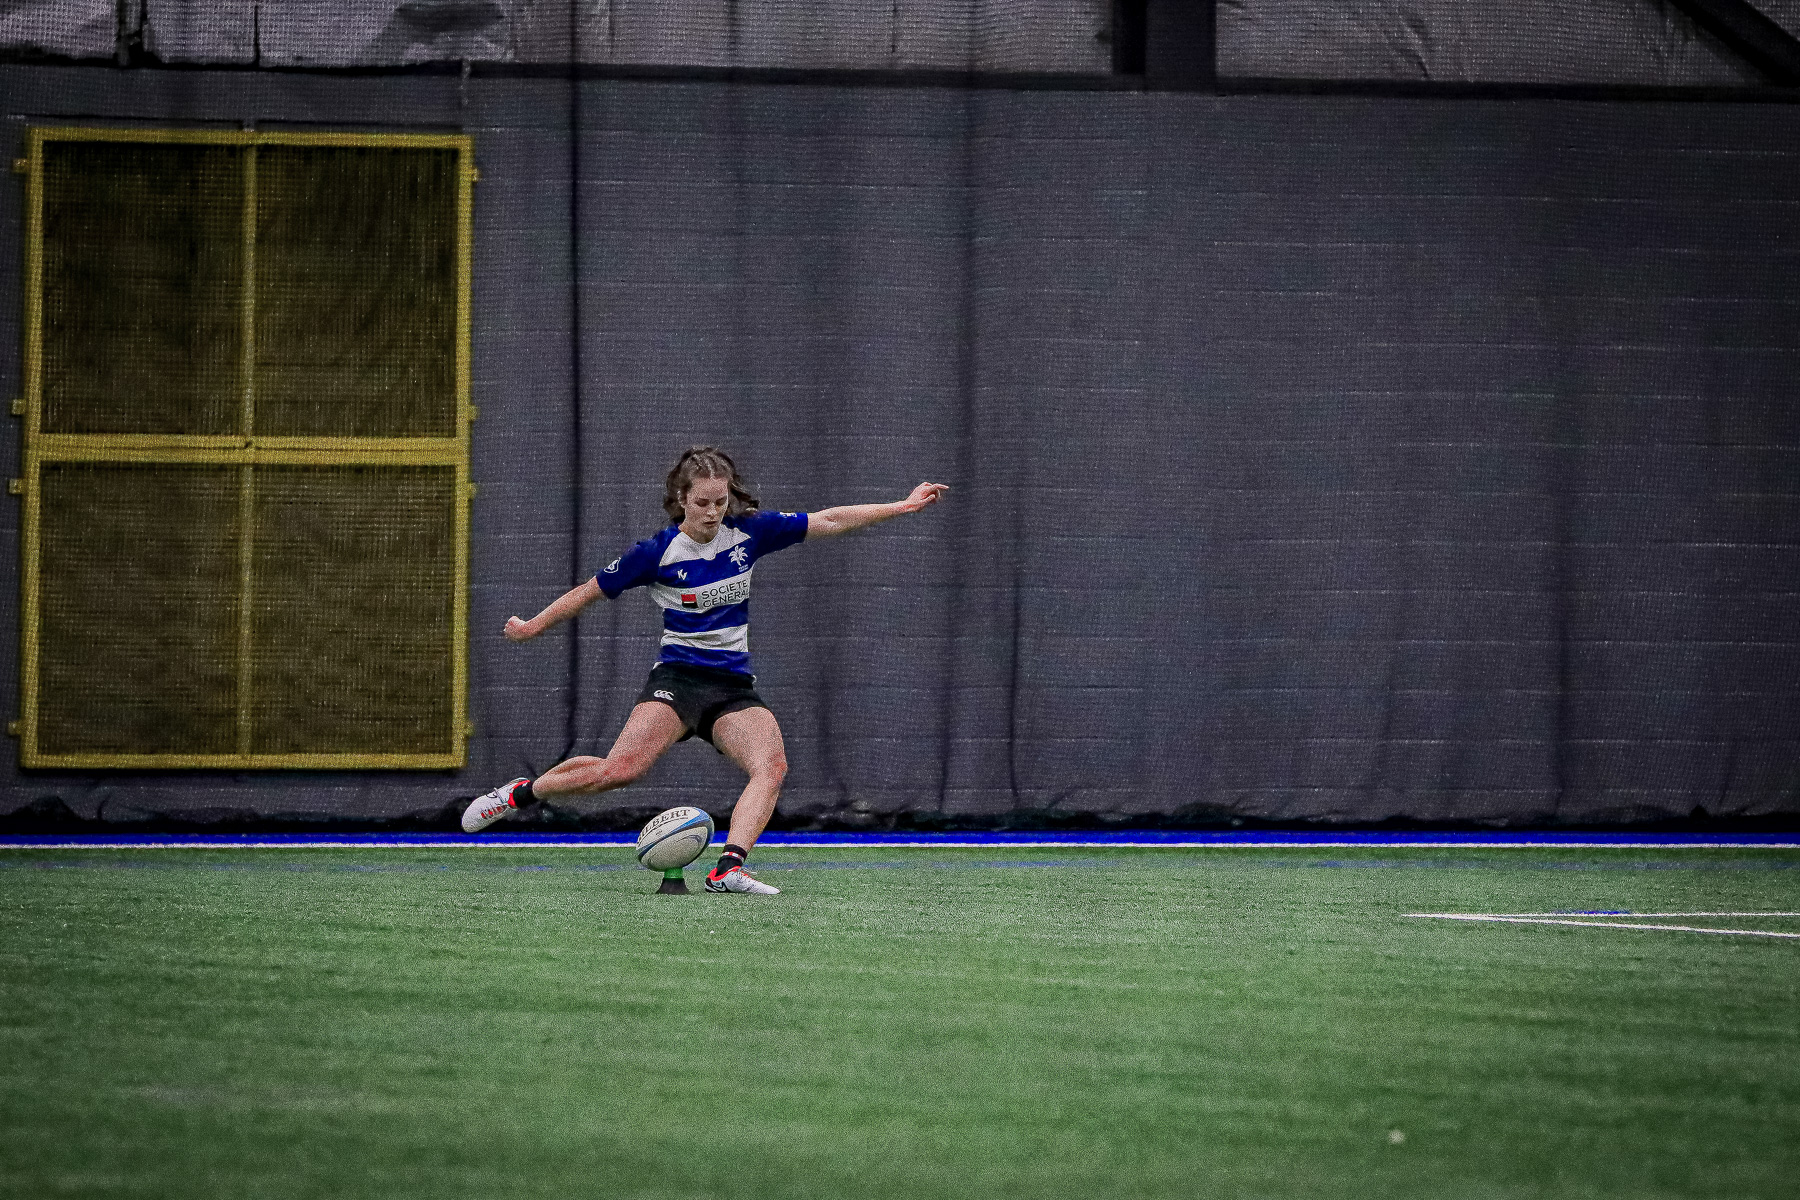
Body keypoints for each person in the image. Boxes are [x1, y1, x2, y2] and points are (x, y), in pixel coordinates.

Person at [461, 445, 948, 895]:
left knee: (771, 766)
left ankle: (728, 868)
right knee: (617, 771)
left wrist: (900, 506)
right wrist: (531, 627)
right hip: (677, 681)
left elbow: (830, 520)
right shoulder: (655, 553)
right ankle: (517, 795)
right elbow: (586, 592)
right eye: (703, 503)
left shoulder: (751, 532)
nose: (714, 512)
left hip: (732, 686)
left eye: (721, 501)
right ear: (681, 499)